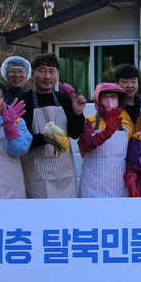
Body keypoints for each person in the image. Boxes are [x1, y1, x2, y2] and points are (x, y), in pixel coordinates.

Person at [19, 53, 87, 198]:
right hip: (36, 174)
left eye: (52, 71)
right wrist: (44, 139)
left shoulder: (64, 99)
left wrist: (77, 113)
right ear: (33, 74)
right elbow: (21, 140)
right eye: (42, 70)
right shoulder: (23, 101)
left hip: (64, 173)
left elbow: (75, 134)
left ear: (57, 75)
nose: (47, 76)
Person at [78, 83, 135, 198]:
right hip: (92, 187)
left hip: (119, 187)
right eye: (105, 97)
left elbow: (130, 156)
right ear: (98, 100)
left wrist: (131, 177)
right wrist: (106, 132)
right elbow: (85, 145)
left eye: (113, 96)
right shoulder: (89, 121)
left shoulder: (127, 124)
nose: (110, 100)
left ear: (120, 100)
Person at [115, 64, 141, 128]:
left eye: (133, 82)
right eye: (125, 82)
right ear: (117, 83)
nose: (130, 86)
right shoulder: (111, 107)